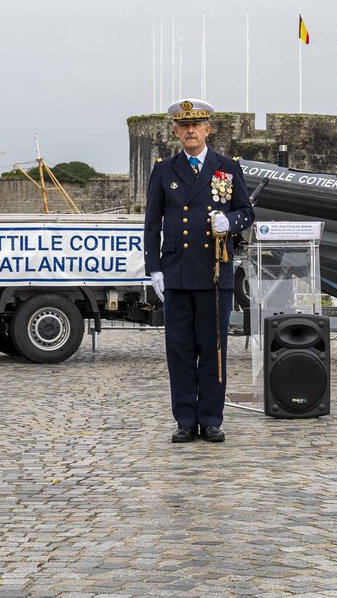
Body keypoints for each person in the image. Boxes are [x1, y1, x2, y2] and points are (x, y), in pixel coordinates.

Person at [144, 99, 254, 444]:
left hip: (214, 272)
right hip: (176, 274)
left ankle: (211, 419)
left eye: (197, 125)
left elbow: (247, 213)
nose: (190, 131)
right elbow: (151, 224)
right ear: (175, 132)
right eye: (183, 126)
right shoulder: (164, 169)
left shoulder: (226, 167)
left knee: (213, 349)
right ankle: (185, 420)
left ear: (208, 129)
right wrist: (154, 269)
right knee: (179, 352)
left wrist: (230, 221)